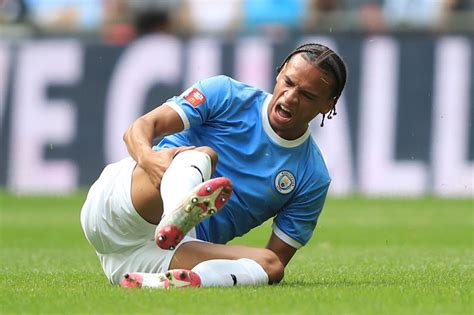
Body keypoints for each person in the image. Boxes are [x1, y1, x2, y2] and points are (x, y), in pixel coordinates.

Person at [80, 43, 347, 289]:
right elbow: (139, 128)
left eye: (308, 95)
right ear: (279, 73)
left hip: (160, 254)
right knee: (203, 156)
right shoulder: (226, 95)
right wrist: (148, 160)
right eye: (288, 82)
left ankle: (174, 282)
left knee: (271, 266)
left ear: (328, 104)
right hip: (120, 208)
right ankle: (176, 213)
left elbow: (274, 258)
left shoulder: (312, 176)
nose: (290, 98)